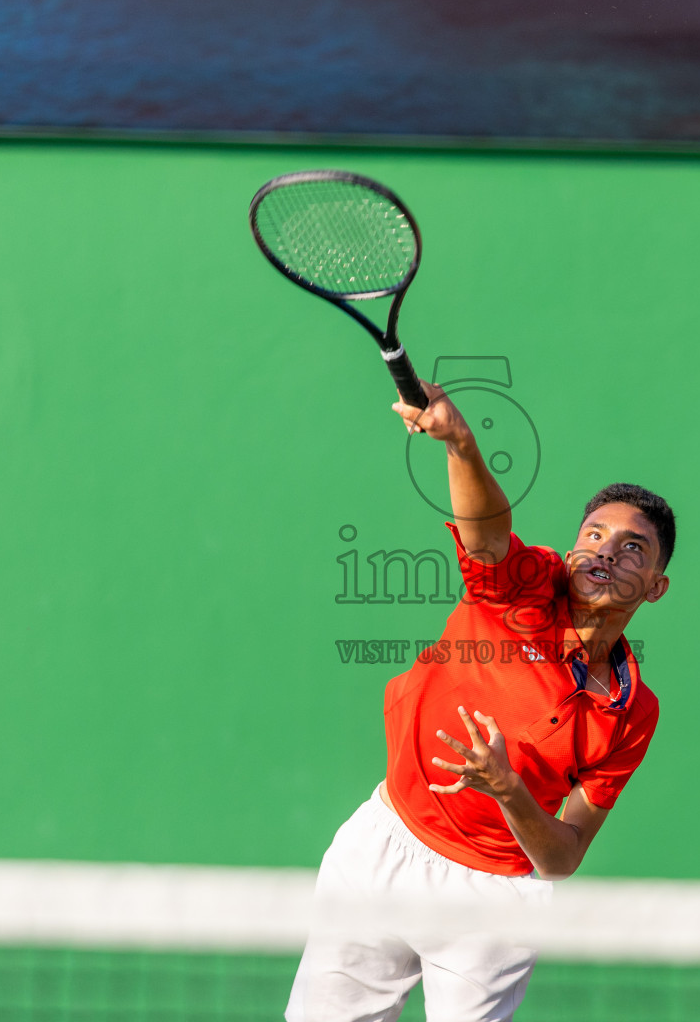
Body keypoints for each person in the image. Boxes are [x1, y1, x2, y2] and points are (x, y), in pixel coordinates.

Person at [286, 380, 674, 1022]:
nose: (605, 549)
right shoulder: (524, 585)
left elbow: (561, 857)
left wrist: (508, 788)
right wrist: (460, 442)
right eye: (595, 533)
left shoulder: (632, 711)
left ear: (656, 588)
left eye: (632, 547)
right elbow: (487, 533)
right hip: (385, 846)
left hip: (493, 902)